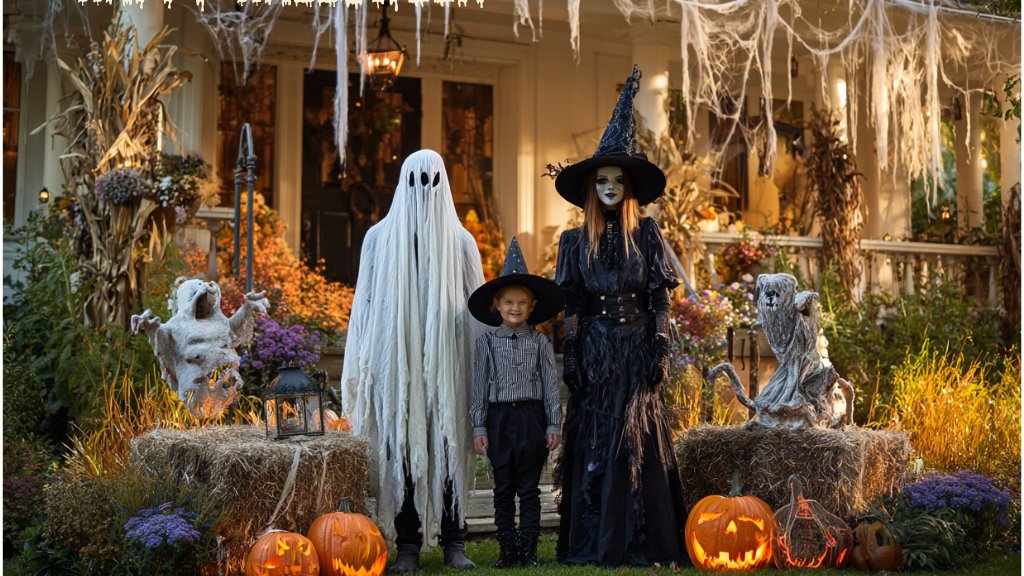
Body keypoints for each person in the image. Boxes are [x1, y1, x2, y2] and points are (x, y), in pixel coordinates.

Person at [551, 65, 688, 567]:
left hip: (637, 348)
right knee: (598, 440)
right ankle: (596, 541)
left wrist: (661, 348)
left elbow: (660, 298)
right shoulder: (573, 242)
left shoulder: (646, 234)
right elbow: (573, 304)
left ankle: (642, 541)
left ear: (628, 187)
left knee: (638, 440)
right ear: (591, 187)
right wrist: (571, 353)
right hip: (596, 350)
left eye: (617, 180)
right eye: (601, 180)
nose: (609, 187)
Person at [340, 149, 484, 572]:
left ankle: (455, 540)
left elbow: (476, 306)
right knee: (400, 446)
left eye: (432, 181)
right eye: (417, 181)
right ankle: (407, 544)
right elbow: (364, 302)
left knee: (449, 442)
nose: (424, 190)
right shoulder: (378, 239)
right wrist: (364, 358)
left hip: (447, 360)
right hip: (395, 359)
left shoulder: (461, 241)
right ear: (403, 183)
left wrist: (479, 364)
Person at [467, 237, 565, 568]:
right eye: (508, 302)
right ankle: (507, 552)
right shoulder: (485, 343)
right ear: (497, 304)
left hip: (531, 418)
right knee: (503, 488)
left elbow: (550, 386)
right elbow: (478, 386)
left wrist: (553, 423)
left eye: (522, 303)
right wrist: (479, 426)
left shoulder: (540, 342)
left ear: (532, 306)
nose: (515, 308)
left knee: (529, 488)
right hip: (498, 419)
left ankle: (529, 551)